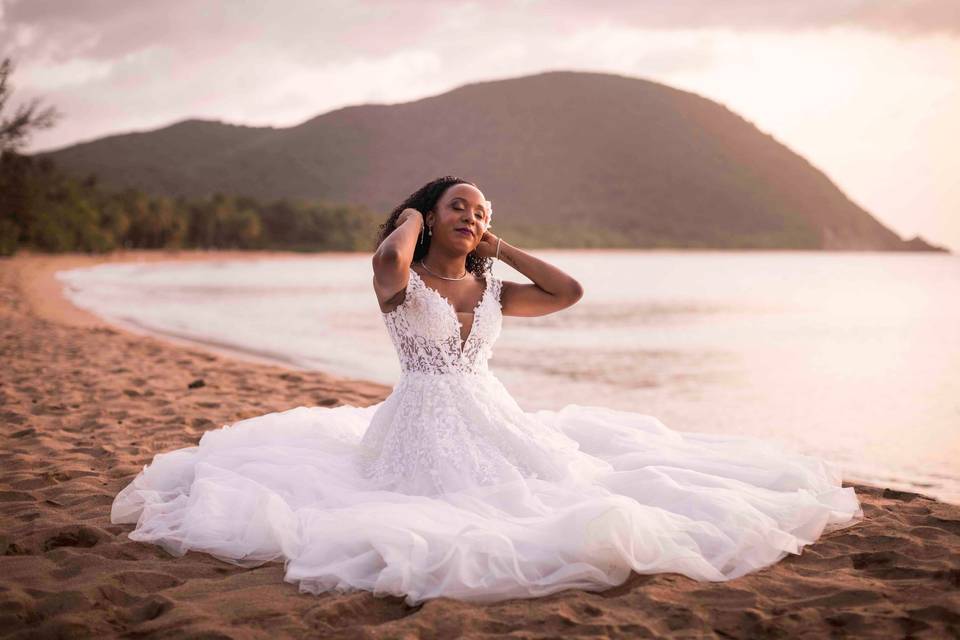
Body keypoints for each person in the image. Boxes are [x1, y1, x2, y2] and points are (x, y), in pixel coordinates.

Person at [111, 176, 864, 606]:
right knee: (445, 513)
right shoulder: (400, 283)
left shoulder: (493, 286)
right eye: (460, 209)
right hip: (421, 419)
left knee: (563, 486)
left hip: (494, 414)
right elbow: (386, 262)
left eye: (483, 213)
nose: (473, 219)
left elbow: (568, 290)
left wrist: (497, 245)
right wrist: (409, 217)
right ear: (430, 217)